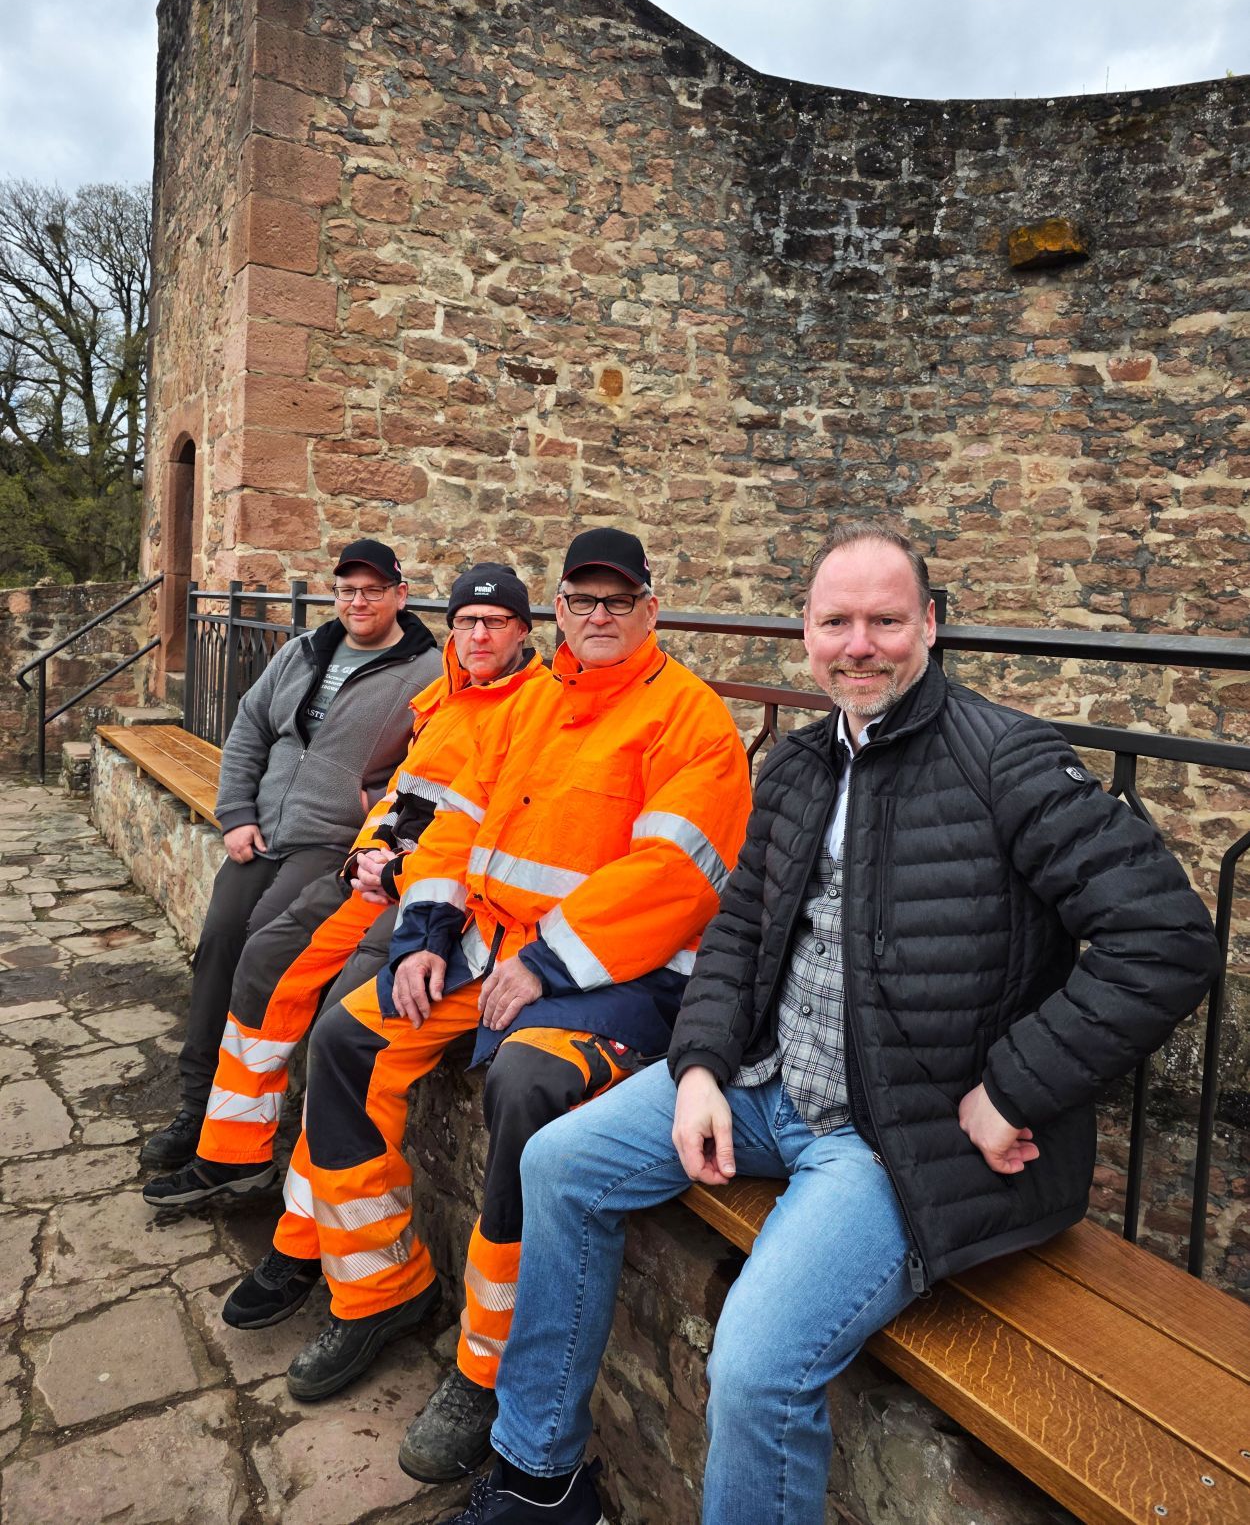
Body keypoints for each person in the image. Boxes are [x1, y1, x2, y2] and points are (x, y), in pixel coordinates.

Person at [444, 519, 1222, 1525]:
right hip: (762, 1085)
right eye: (835, 620)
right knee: (556, 1162)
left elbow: (1164, 939)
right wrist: (695, 1070)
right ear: (805, 634)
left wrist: (1012, 1087)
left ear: (929, 626)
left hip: (894, 1131)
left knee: (757, 1365)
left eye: (885, 620)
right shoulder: (802, 765)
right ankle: (540, 1478)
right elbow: (734, 938)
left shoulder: (1007, 758)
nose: (859, 643)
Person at [225, 528, 753, 1480]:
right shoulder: (532, 703)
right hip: (494, 951)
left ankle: (486, 1364)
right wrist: (426, 935)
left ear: (650, 612)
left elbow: (675, 879)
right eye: (581, 600)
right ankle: (381, 1286)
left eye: (616, 602)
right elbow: (454, 826)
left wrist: (547, 963)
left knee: (525, 1083)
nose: (596, 618)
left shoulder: (692, 721)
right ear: (557, 609)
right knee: (349, 1035)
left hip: (625, 979)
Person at [142, 562, 545, 1218]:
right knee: (263, 955)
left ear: (523, 629)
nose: (477, 635)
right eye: (467, 621)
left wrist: (392, 871)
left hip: (441, 899)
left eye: (494, 622)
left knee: (340, 1015)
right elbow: (402, 791)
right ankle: (230, 1149)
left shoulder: (529, 706)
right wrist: (367, 851)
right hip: (374, 870)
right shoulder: (444, 693)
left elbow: (491, 827)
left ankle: (308, 1219)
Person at [139, 539, 441, 1173]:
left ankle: (247, 1118)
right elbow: (249, 726)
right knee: (218, 940)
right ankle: (198, 1106)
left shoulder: (426, 671)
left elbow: (433, 768)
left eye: (372, 590)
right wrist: (237, 815)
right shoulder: (304, 651)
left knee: (262, 944)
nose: (358, 601)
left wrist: (376, 801)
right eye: (347, 590)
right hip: (261, 832)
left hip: (332, 841)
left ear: (399, 596)